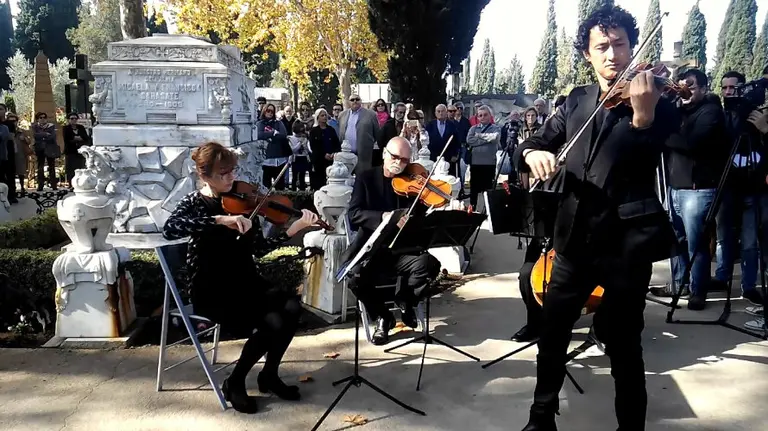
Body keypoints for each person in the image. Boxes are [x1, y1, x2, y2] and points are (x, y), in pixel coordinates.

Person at [513, 6, 680, 430]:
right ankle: (541, 417)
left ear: (632, 47)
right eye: (602, 46)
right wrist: (532, 153)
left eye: (620, 44)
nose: (612, 54)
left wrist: (642, 118)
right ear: (587, 54)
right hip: (574, 241)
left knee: (625, 345)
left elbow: (646, 162)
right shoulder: (576, 100)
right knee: (552, 334)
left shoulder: (658, 101)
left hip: (626, 246)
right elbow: (535, 140)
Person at [162, 141, 319, 414]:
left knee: (292, 307)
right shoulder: (195, 203)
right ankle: (234, 382)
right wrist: (219, 220)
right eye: (223, 173)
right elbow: (170, 228)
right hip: (212, 288)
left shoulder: (244, 202)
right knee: (272, 321)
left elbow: (259, 249)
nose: (231, 178)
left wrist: (294, 228)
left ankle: (269, 375)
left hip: (246, 282)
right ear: (204, 175)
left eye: (232, 171)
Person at [341, 137, 442, 345]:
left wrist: (436, 205)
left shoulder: (411, 184)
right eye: (395, 157)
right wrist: (383, 217)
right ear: (384, 154)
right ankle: (383, 317)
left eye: (404, 160)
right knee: (354, 278)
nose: (399, 163)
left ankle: (405, 299)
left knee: (430, 264)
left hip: (401, 250)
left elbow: (421, 217)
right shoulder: (366, 178)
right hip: (372, 249)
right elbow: (354, 215)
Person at [466, 105, 501, 208]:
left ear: (490, 116)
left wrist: (479, 136)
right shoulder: (473, 128)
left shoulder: (496, 128)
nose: (483, 117)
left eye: (485, 115)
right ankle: (472, 209)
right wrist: (487, 139)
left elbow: (495, 138)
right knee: (474, 189)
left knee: (488, 189)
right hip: (475, 163)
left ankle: (488, 210)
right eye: (480, 115)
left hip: (489, 163)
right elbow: (469, 140)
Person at [338, 94, 380, 174]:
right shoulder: (342, 115)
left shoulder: (371, 114)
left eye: (357, 99)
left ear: (361, 101)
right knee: (346, 177)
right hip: (346, 154)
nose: (355, 101)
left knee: (363, 177)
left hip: (363, 155)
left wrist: (367, 143)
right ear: (349, 102)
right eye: (352, 100)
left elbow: (377, 133)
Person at [308, 108, 341, 190]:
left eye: (325, 115)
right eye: (322, 115)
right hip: (319, 161)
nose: (324, 117)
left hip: (331, 160)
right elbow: (313, 146)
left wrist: (334, 153)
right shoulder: (313, 131)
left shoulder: (331, 130)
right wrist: (323, 154)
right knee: (319, 183)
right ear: (317, 117)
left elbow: (336, 143)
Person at [63, 113, 92, 184]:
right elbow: (67, 138)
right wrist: (77, 138)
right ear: (68, 120)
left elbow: (86, 138)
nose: (74, 120)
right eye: (72, 118)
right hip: (70, 151)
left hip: (80, 151)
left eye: (75, 118)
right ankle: (71, 183)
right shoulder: (66, 128)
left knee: (80, 166)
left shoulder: (81, 127)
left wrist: (76, 138)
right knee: (71, 168)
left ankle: (81, 182)